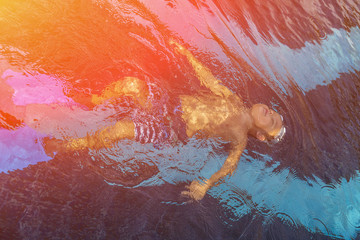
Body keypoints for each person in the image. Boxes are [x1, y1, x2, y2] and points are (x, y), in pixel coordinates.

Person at [43, 40, 285, 201]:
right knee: (132, 84)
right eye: (275, 112)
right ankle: (95, 100)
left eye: (273, 122)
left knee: (122, 129)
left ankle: (70, 145)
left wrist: (205, 186)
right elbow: (209, 80)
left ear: (262, 135)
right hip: (170, 105)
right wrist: (188, 55)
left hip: (169, 130)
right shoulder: (232, 97)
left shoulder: (239, 137)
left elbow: (229, 165)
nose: (271, 113)